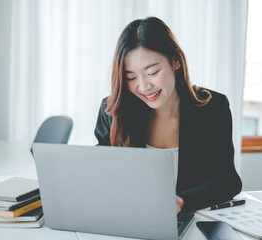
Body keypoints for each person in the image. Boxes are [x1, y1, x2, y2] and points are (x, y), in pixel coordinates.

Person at [94, 17, 242, 212]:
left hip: (191, 220)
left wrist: (181, 201)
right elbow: (101, 173)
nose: (144, 86)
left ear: (176, 61)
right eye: (131, 77)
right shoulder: (113, 111)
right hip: (129, 219)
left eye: (153, 72)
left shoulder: (212, 107)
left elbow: (227, 181)